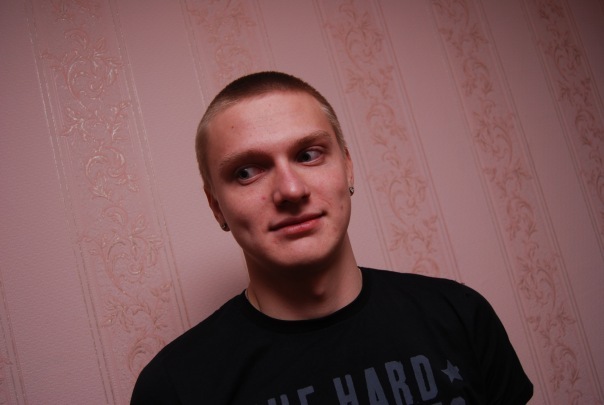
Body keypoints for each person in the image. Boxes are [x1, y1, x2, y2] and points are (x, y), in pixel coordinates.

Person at [131, 71, 533, 404]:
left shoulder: (460, 315)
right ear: (216, 206)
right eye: (247, 172)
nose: (291, 190)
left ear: (348, 168)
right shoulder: (173, 388)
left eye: (308, 155)